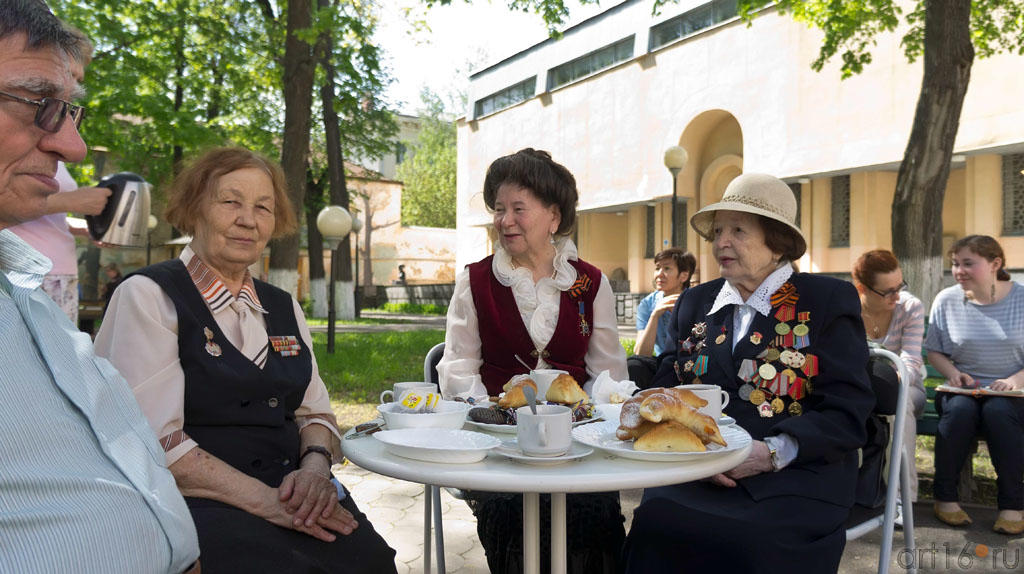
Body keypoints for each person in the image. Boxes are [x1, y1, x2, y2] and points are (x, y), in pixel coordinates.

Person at [95, 147, 397, 572]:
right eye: (230, 201)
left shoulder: (283, 306)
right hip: (197, 501)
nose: (248, 220)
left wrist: (313, 471)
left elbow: (317, 415)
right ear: (194, 208)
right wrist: (272, 504)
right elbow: (151, 443)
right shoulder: (149, 296)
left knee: (372, 562)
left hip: (293, 493)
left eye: (263, 207)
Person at [0, 3, 200, 573]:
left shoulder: (29, 305)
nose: (73, 147)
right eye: (38, 104)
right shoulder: (150, 296)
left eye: (68, 112)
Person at [622, 173, 875, 573]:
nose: (722, 242)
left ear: (777, 241)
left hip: (793, 475)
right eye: (719, 230)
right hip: (697, 468)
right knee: (656, 525)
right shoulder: (695, 301)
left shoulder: (825, 300)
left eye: (738, 230)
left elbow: (847, 412)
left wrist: (770, 453)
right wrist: (643, 404)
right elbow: (671, 379)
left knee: (747, 543)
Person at [437, 148, 628, 573]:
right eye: (499, 209)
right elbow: (458, 368)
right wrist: (492, 421)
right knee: (515, 522)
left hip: (578, 444)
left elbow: (609, 374)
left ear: (553, 217)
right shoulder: (476, 280)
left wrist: (594, 421)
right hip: (501, 446)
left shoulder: (589, 283)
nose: (505, 220)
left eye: (518, 208)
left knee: (591, 519)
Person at [8, 25, 111, 325]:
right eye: (72, 75)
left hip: (61, 270)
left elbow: (45, 214)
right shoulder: (28, 141)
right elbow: (13, 199)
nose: (79, 83)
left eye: (80, 79)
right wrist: (75, 200)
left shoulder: (54, 148)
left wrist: (84, 231)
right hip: (29, 273)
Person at [924, 234, 1024, 535]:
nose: (959, 271)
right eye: (955, 264)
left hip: (1014, 392)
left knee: (997, 412)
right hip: (962, 389)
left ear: (995, 263)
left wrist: (1012, 380)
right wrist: (952, 373)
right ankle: (945, 499)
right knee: (960, 411)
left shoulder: (1021, 298)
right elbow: (935, 351)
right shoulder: (947, 299)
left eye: (968, 263)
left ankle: (1013, 505)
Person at [852, 249, 925, 506]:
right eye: (888, 291)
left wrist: (891, 383)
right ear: (862, 288)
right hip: (860, 387)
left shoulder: (909, 307)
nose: (897, 295)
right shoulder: (848, 309)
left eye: (900, 286)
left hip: (906, 385)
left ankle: (901, 497)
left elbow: (912, 361)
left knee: (899, 405)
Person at [627, 247, 696, 387]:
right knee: (634, 364)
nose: (659, 274)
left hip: (693, 364)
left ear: (684, 276)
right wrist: (655, 315)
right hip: (663, 365)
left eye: (667, 269)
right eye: (657, 268)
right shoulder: (648, 304)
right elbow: (641, 353)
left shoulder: (697, 301)